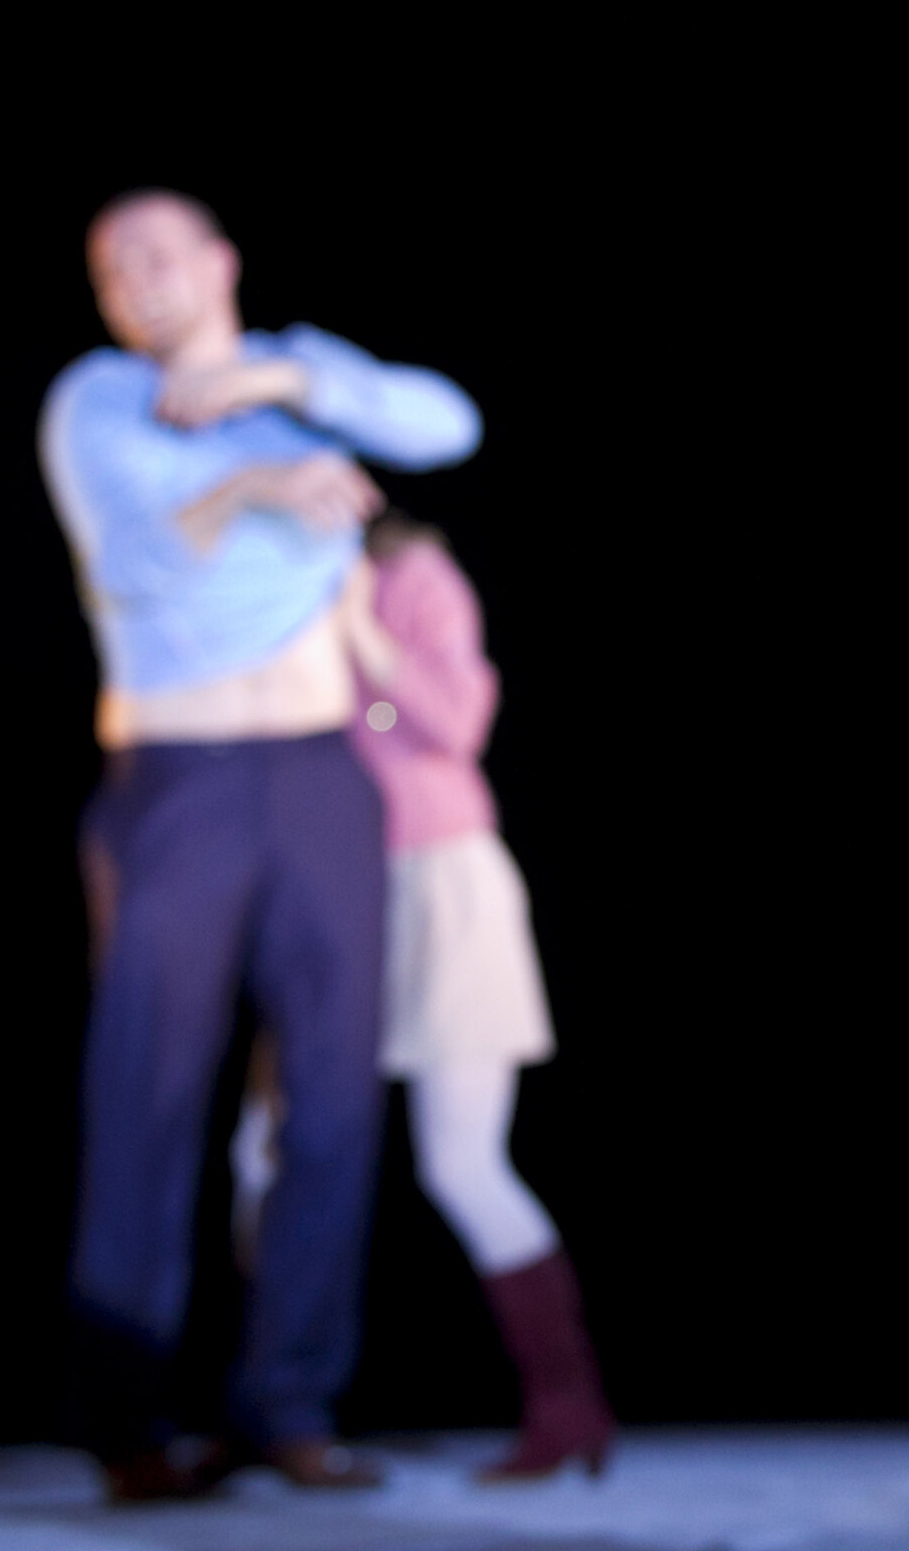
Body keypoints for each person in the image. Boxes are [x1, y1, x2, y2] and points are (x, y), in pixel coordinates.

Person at [41, 189, 482, 1501]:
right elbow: (134, 562)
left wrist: (288, 385)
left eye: (157, 251)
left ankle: (288, 1403)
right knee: (150, 1089)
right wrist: (255, 484)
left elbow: (447, 424)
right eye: (111, 265)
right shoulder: (101, 399)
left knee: (334, 1094)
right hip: (179, 774)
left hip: (319, 770)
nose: (135, 276)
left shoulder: (300, 380)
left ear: (220, 262)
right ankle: (128, 1422)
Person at [233, 511, 616, 1480]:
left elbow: (455, 725)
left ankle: (566, 1403)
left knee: (461, 1163)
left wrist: (364, 638)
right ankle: (269, 1405)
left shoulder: (412, 578)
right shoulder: (266, 593)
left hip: (440, 881)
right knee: (267, 1145)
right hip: (334, 891)